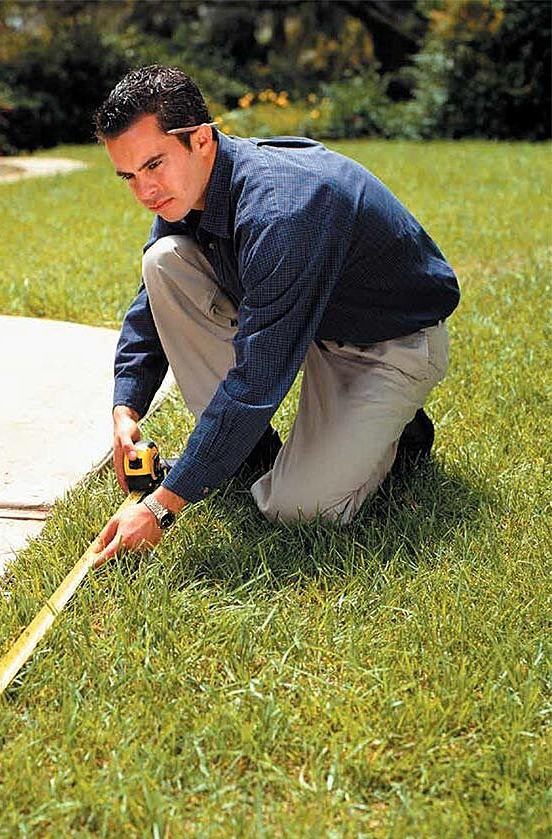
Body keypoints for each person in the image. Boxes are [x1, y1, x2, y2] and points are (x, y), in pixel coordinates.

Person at [92, 65, 460, 567]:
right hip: (313, 325)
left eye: (154, 165)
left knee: (298, 510)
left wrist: (162, 505)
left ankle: (399, 431)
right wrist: (127, 409)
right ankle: (248, 455)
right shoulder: (187, 192)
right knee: (163, 261)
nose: (145, 191)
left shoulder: (283, 209)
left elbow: (257, 381)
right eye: (129, 176)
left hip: (388, 345)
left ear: (201, 140)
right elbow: (150, 306)